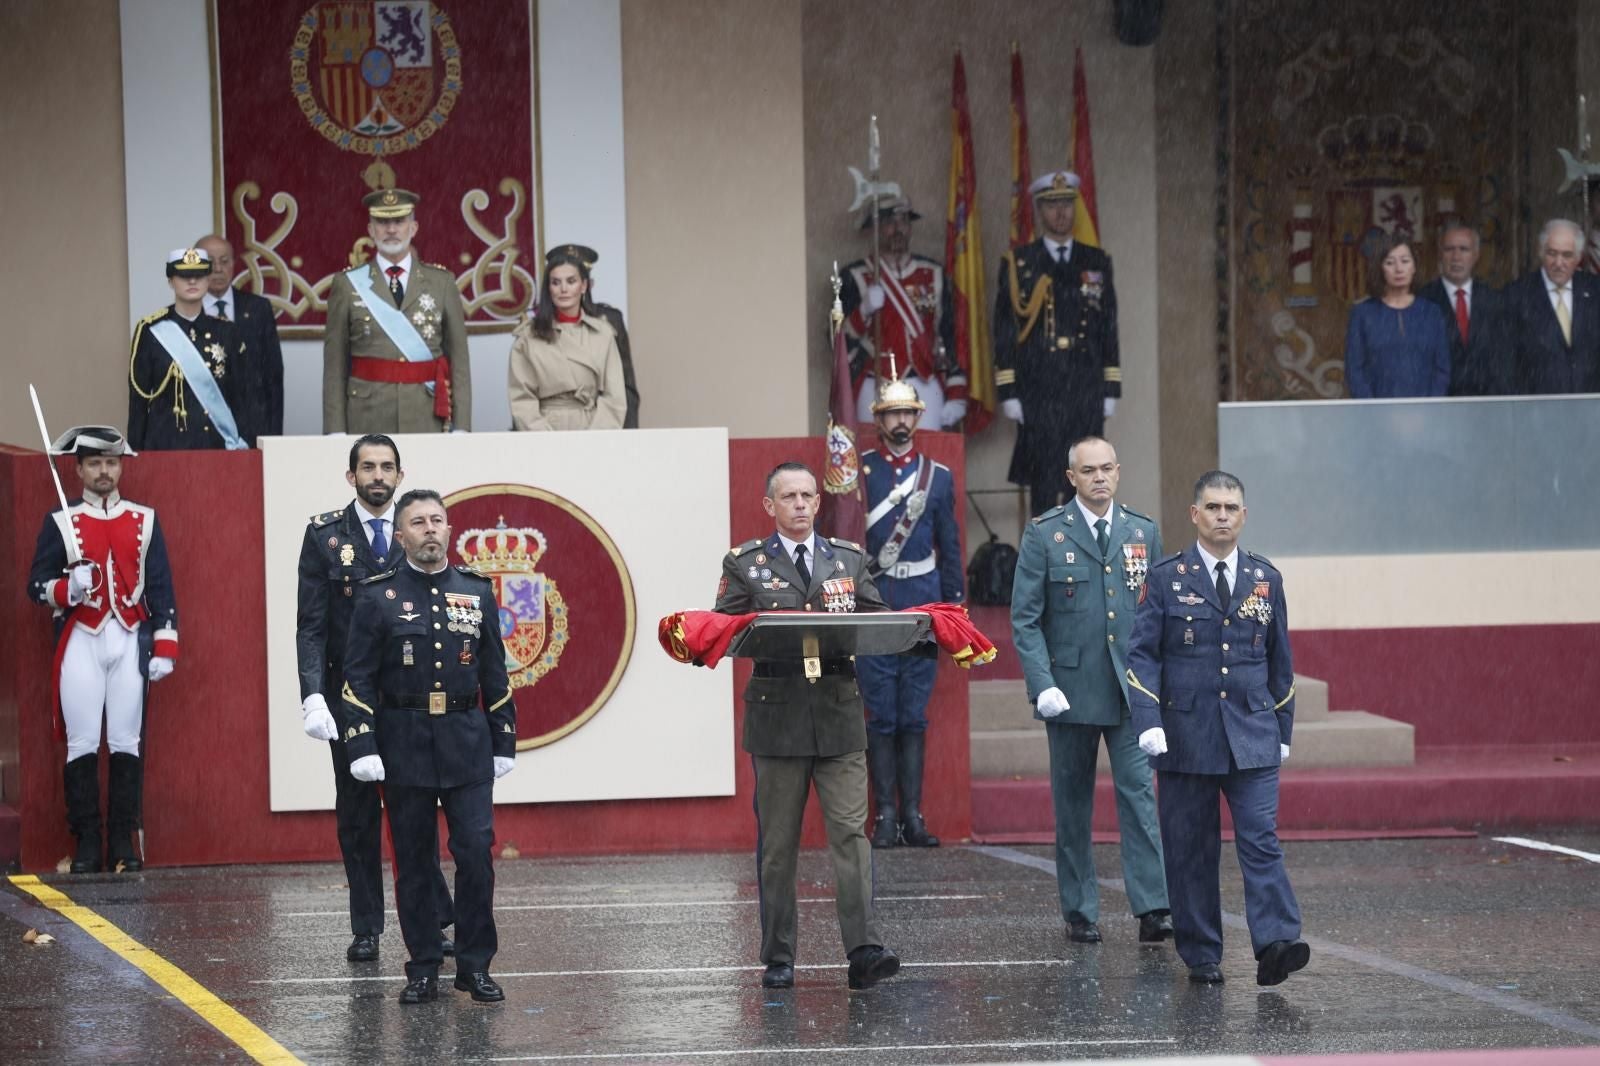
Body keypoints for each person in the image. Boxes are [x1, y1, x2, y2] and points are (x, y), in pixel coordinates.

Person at [712, 463, 901, 991]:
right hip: (779, 717)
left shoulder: (849, 558)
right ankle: (778, 956)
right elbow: (725, 630)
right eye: (788, 496)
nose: (799, 504)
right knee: (778, 846)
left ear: (818, 502)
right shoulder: (746, 563)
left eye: (807, 495)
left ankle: (864, 950)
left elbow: (878, 621)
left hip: (839, 713)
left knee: (851, 836)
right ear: (769, 505)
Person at [1125, 470, 1307, 987]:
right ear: (1195, 514)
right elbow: (1142, 655)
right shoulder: (1166, 577)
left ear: (1243, 516)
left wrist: (1283, 726)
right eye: (1212, 507)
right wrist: (1148, 720)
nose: (1222, 516)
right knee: (1191, 849)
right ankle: (1202, 952)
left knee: (1261, 838)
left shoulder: (1265, 578)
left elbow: (1280, 659)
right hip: (1185, 734)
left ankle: (1277, 942)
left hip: (1252, 730)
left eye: (1231, 508)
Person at [339, 489, 516, 1005]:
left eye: (438, 520)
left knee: (476, 854)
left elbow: (494, 670)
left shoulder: (475, 591)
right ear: (400, 536)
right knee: (415, 862)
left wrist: (503, 737)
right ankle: (422, 968)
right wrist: (362, 744)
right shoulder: (378, 596)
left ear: (449, 529)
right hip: (404, 743)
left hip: (466, 742)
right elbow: (357, 678)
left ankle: (475, 966)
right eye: (418, 522)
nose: (430, 529)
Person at [295, 434, 455, 963]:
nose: (378, 476)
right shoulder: (324, 537)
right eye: (368, 467)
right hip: (350, 697)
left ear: (400, 475)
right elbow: (311, 625)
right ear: (352, 477)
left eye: (387, 467)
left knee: (416, 808)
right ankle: (366, 926)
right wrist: (312, 696)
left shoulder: (415, 529)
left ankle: (433, 919)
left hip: (408, 695)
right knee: (357, 813)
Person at [1009, 436, 1171, 945]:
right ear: (1071, 477)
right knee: (1073, 805)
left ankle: (1153, 906)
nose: (1099, 477)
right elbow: (1025, 619)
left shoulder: (1142, 531)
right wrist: (1042, 684)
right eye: (1088, 470)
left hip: (1129, 693)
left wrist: (1158, 689)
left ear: (1118, 472)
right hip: (1071, 692)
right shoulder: (1045, 534)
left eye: (1106, 469)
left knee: (1139, 798)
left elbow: (1156, 616)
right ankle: (1080, 910)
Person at [26, 426, 177, 873]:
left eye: (111, 462)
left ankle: (123, 841)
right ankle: (88, 841)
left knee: (126, 740)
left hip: (130, 637)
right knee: (83, 741)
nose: (104, 471)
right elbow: (35, 586)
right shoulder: (61, 521)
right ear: (78, 470)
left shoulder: (144, 519)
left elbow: (161, 585)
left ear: (120, 467)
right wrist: (67, 588)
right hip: (81, 637)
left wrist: (165, 644)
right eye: (95, 463)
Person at [855, 374, 963, 848]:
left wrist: (954, 603)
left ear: (918, 418)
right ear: (879, 420)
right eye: (892, 414)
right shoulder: (859, 473)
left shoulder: (938, 477)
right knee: (881, 712)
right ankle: (884, 816)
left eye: (907, 413)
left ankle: (913, 816)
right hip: (875, 602)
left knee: (913, 713)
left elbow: (950, 543)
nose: (900, 421)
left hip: (922, 599)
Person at [993, 172, 1121, 517]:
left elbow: (1108, 325)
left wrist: (1111, 387)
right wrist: (1008, 391)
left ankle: (1089, 547)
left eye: (1067, 203)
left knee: (1090, 479)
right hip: (1039, 387)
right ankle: (1047, 550)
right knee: (1045, 483)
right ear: (1039, 210)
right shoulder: (1020, 263)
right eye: (1052, 205)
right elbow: (1004, 329)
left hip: (1085, 386)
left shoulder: (1096, 261)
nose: (1061, 212)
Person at [323, 188, 473, 434]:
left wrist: (462, 427)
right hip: (367, 416)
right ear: (371, 230)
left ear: (413, 228)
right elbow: (334, 367)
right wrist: (335, 431)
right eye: (382, 222)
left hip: (426, 417)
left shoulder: (442, 283)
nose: (391, 229)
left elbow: (459, 363)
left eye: (399, 221)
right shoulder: (347, 284)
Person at [840, 194, 966, 429]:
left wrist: (957, 391)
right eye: (889, 222)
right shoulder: (854, 277)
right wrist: (862, 311)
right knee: (874, 451)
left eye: (904, 221)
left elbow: (951, 335)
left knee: (931, 450)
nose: (898, 229)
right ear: (874, 229)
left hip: (925, 383)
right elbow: (837, 343)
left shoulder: (933, 274)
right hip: (875, 384)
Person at [128, 248, 250, 451]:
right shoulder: (150, 331)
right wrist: (136, 456)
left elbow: (242, 400)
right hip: (164, 446)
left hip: (216, 446)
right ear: (170, 281)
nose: (192, 281)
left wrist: (246, 450)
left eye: (199, 275)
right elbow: (138, 403)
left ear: (208, 280)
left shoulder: (228, 332)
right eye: (184, 275)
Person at [507, 244, 628, 431]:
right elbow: (522, 399)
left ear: (584, 286)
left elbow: (615, 397)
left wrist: (597, 438)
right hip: (545, 432)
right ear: (549, 288)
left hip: (593, 430)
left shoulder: (603, 334)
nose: (563, 289)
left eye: (571, 281)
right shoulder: (528, 337)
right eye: (556, 282)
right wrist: (546, 439)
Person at [195, 233, 285, 443]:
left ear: (234, 264)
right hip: (202, 430)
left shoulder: (258, 309)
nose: (218, 269)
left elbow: (273, 378)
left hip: (252, 428)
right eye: (210, 262)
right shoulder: (186, 313)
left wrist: (273, 437)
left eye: (224, 261)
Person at [1343, 233, 1451, 398]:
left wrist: (1429, 406)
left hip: (1425, 410)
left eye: (1405, 261)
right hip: (1376, 409)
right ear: (1380, 268)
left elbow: (1442, 369)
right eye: (1390, 262)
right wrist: (1372, 407)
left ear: (1414, 267)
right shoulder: (1363, 314)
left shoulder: (1431, 313)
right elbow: (1355, 371)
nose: (1398, 269)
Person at [1417, 223, 1512, 396]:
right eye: (1449, 249)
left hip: (1486, 401)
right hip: (1440, 402)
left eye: (1464, 249)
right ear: (1440, 254)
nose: (1456, 257)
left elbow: (1504, 360)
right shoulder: (1423, 301)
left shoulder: (1495, 301)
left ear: (1476, 255)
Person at [1509, 219, 1600, 394]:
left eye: (1567, 255)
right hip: (1537, 405)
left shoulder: (1596, 291)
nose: (1559, 263)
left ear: (1579, 257)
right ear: (1541, 252)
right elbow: (1507, 364)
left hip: (1591, 405)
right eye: (1552, 253)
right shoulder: (1516, 296)